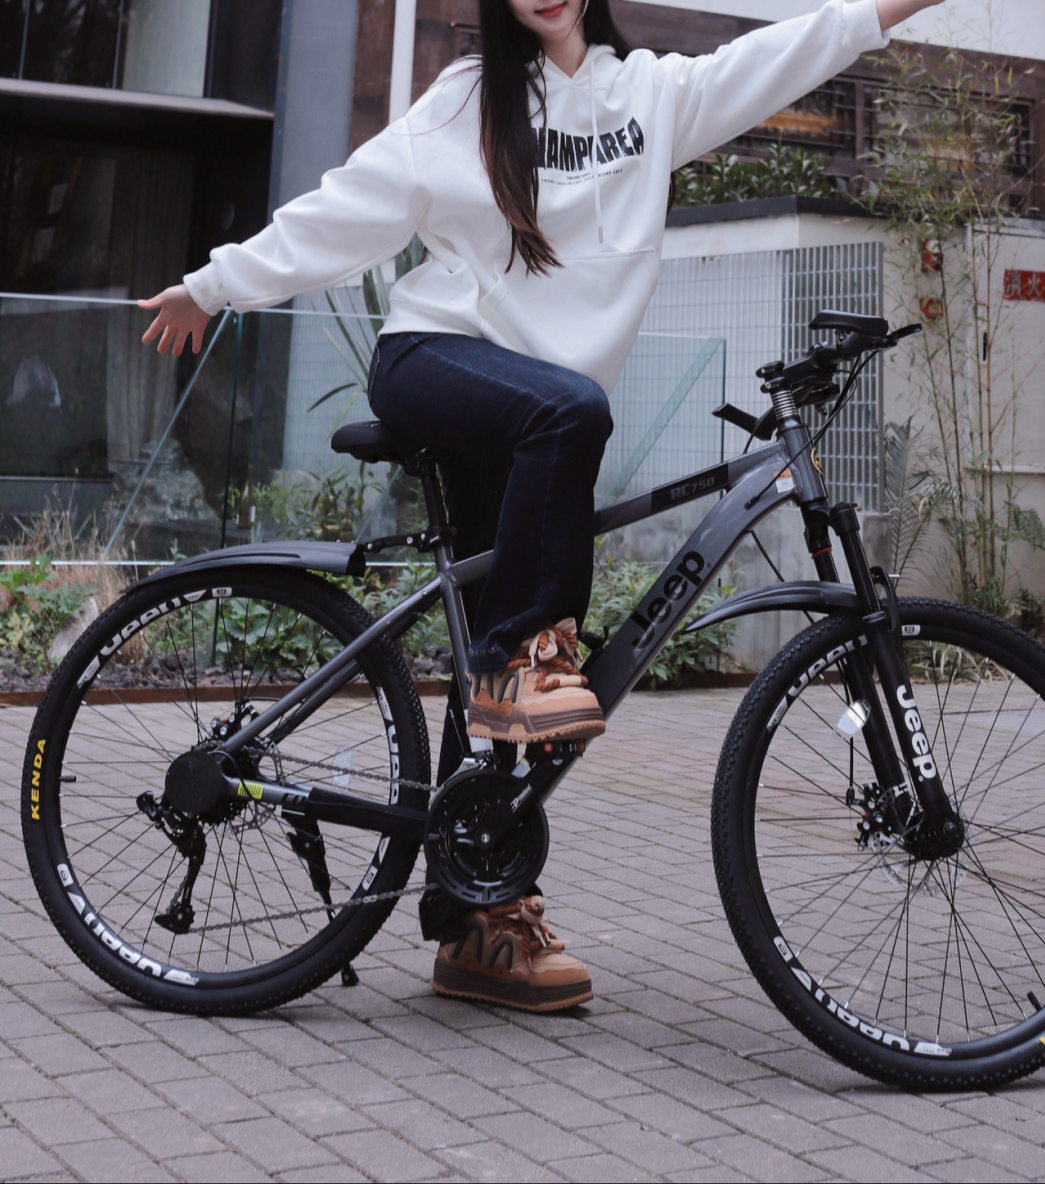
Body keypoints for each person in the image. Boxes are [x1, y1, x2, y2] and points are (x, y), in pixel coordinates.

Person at [139, 0, 945, 1012]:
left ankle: (481, 918)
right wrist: (215, 283)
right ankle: (522, 658)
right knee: (555, 502)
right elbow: (350, 206)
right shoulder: (470, 100)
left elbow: (790, 49)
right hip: (437, 361)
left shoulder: (651, 98)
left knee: (512, 654)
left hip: (536, 425)